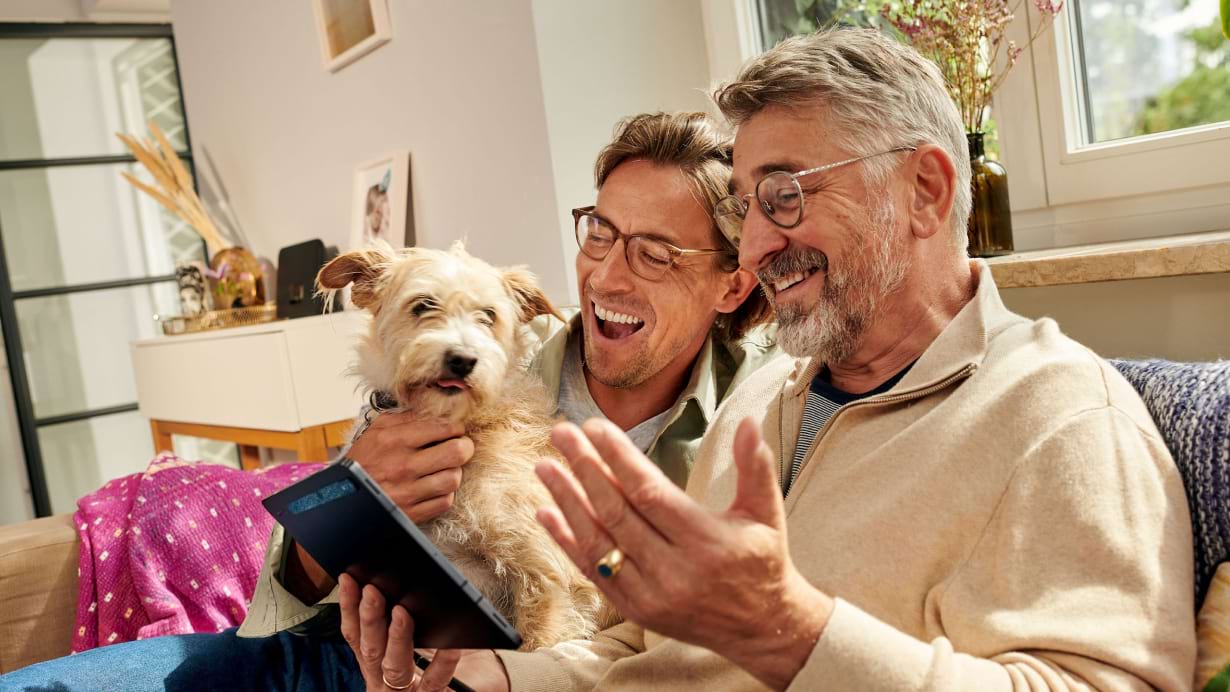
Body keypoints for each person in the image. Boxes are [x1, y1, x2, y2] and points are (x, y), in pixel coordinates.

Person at [354, 29, 1197, 691]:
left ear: (927, 192)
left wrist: (791, 630)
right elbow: (644, 652)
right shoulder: (762, 399)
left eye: (787, 194)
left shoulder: (1062, 418)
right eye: (751, 205)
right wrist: (498, 676)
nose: (756, 245)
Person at [0, 111, 776, 691]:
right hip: (336, 653)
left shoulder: (764, 418)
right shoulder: (484, 364)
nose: (607, 276)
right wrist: (346, 500)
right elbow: (293, 581)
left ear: (733, 283)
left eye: (654, 254)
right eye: (599, 233)